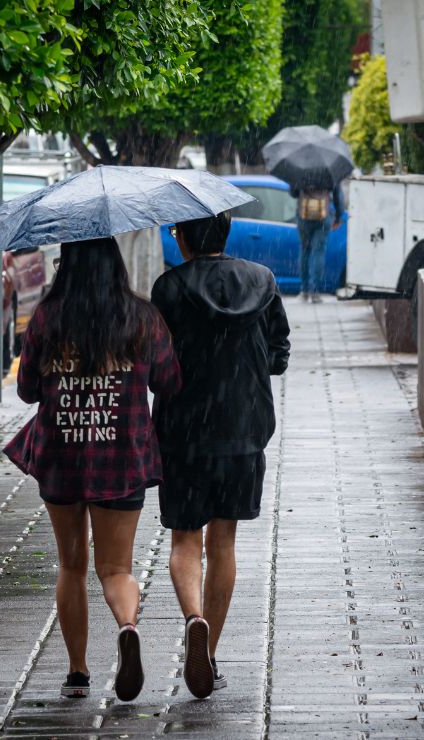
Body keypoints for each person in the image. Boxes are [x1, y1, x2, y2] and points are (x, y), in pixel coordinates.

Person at [3, 238, 181, 702]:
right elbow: (168, 381)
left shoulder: (48, 317)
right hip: (121, 456)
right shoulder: (142, 318)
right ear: (115, 265)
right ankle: (126, 626)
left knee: (71, 564)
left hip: (62, 455)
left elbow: (26, 391)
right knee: (117, 567)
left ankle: (78, 673)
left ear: (69, 266)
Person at [151, 212, 290, 699]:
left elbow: (157, 362)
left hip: (183, 430)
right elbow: (279, 352)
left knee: (185, 541)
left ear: (183, 237)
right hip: (243, 427)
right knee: (224, 540)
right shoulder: (262, 280)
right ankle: (209, 652)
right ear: (226, 233)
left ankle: (194, 618)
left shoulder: (168, 288)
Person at [290, 179, 345, 303]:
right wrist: (338, 216)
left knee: (305, 250)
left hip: (304, 215)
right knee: (318, 251)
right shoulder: (329, 170)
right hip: (323, 216)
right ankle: (315, 292)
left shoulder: (301, 169)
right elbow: (337, 196)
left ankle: (304, 291)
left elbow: (293, 193)